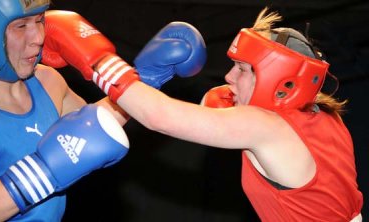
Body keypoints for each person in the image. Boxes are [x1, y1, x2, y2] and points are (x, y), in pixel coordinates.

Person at [44, 7, 363, 222]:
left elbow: (161, 118)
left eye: (241, 69)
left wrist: (97, 59)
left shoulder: (266, 127)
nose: (228, 78)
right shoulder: (326, 116)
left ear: (281, 82)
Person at [0, 1, 205, 221]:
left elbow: (93, 127)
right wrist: (44, 171)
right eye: (21, 26)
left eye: (40, 20)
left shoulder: (47, 80)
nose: (39, 37)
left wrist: (144, 79)